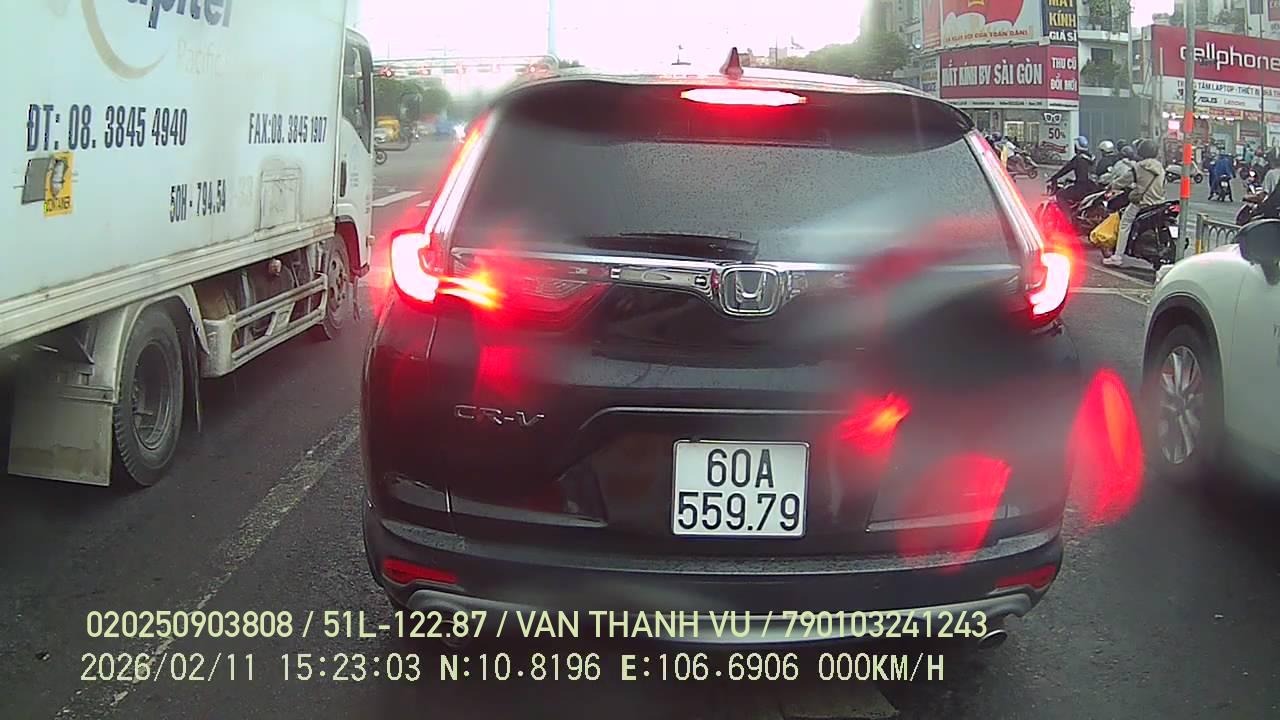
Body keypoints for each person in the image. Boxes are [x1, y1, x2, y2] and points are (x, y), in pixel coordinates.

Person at [1105, 138, 1166, 267]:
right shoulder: (1160, 166)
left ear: (1141, 151)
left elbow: (1122, 181)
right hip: (1159, 203)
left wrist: (1112, 186)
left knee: (1125, 223)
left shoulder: (1139, 167)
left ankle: (1117, 256)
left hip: (1142, 203)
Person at [1047, 136, 1097, 208]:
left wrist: (1054, 177)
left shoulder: (1078, 159)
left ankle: (1067, 215)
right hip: (1093, 188)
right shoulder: (1092, 158)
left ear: (1076, 147)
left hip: (1081, 188)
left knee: (1060, 195)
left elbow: (1065, 170)